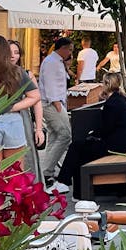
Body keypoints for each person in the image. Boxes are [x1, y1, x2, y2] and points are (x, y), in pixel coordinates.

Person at [49, 73, 126, 198]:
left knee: (76, 148)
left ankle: (63, 182)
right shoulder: (120, 100)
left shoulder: (112, 104)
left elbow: (106, 128)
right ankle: (72, 189)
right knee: (78, 150)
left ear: (106, 84)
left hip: (112, 146)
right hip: (119, 144)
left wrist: (93, 134)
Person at [38, 37, 74, 185]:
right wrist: (57, 103)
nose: (71, 53)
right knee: (65, 135)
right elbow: (51, 83)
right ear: (63, 48)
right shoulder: (52, 62)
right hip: (53, 103)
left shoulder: (55, 61)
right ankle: (47, 170)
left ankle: (47, 172)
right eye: (70, 49)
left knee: (55, 136)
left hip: (54, 103)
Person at [8, 39, 45, 179]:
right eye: (9, 52)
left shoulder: (26, 73)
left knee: (26, 154)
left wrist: (39, 128)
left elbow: (37, 101)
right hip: (0, 118)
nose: (13, 56)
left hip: (23, 118)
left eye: (16, 52)